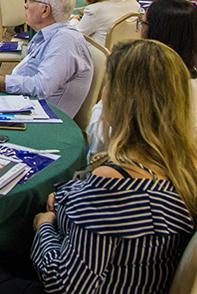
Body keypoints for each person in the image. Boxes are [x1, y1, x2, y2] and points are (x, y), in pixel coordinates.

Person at [32, 39, 197, 294]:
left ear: (120, 99)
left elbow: (62, 282)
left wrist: (43, 225)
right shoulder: (184, 164)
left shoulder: (117, 181)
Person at [87, 0, 197, 157]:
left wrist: (104, 101)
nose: (137, 31)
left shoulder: (136, 83)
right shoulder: (189, 82)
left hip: (128, 170)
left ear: (156, 32)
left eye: (142, 24)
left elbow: (101, 139)